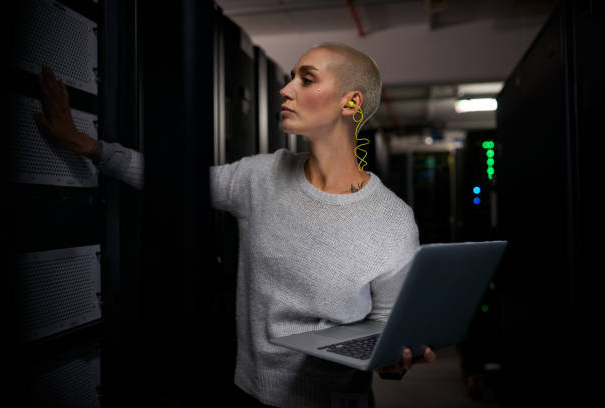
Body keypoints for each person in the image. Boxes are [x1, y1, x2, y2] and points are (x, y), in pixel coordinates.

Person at [33, 41, 437, 408]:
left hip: (338, 400)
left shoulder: (392, 218)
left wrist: (391, 362)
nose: (286, 88)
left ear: (351, 103)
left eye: (306, 79)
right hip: (250, 394)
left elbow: (386, 323)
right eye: (290, 77)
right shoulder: (258, 177)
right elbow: (176, 183)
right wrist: (92, 147)